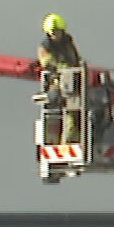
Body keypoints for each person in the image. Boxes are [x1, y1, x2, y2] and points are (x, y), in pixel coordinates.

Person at [37, 14, 83, 143]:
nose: (55, 35)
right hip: (56, 82)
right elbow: (47, 63)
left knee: (81, 106)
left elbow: (76, 58)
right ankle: (70, 138)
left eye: (57, 32)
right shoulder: (45, 47)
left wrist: (78, 68)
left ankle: (77, 136)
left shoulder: (68, 43)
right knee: (64, 104)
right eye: (52, 33)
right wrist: (62, 67)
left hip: (74, 79)